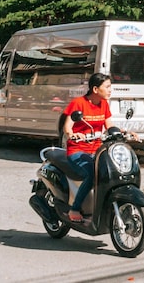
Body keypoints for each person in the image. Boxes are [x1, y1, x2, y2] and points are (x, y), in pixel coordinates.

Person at [62, 72, 116, 222]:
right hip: (77, 151)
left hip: (97, 151)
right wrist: (73, 135)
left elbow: (110, 125)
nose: (110, 90)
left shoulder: (104, 104)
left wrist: (125, 132)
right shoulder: (78, 103)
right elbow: (68, 127)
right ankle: (75, 208)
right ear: (95, 89)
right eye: (107, 87)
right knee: (92, 175)